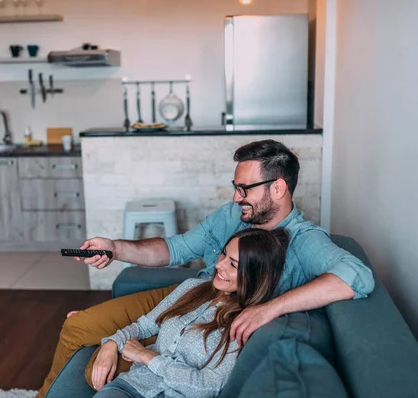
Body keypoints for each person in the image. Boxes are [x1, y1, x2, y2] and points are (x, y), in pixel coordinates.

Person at [38, 140, 375, 397]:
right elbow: (176, 248)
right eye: (235, 186)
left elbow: (357, 276)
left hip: (214, 323)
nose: (235, 197)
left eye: (245, 189)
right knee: (79, 327)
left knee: (100, 365)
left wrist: (269, 309)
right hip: (190, 295)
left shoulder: (304, 240)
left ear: (278, 188)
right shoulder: (234, 215)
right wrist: (115, 248)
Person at [92, 228, 288, 398]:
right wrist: (111, 343)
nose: (219, 265)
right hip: (132, 386)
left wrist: (146, 356)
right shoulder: (192, 287)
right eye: (223, 254)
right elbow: (145, 325)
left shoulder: (245, 322)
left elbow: (208, 386)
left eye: (233, 264)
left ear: (255, 276)